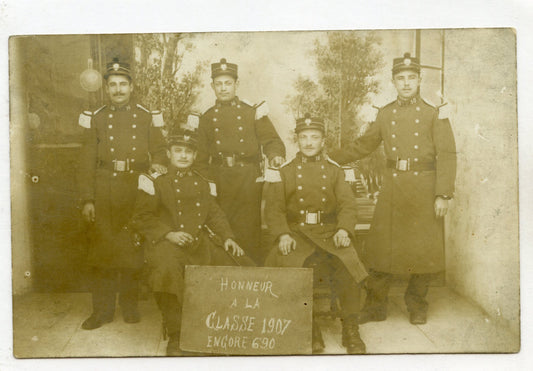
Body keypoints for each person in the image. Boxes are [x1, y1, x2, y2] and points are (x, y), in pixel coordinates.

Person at [331, 52, 457, 325]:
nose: (406, 83)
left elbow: (447, 154)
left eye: (412, 78)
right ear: (393, 81)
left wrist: (443, 194)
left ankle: (417, 305)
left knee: (423, 250)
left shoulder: (435, 114)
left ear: (420, 80)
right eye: (401, 78)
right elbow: (364, 145)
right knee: (380, 249)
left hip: (425, 187)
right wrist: (331, 157)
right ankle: (376, 307)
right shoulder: (385, 114)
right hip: (393, 188)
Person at [130, 129, 255, 356]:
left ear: (195, 156)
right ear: (168, 153)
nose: (183, 156)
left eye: (188, 152)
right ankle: (177, 334)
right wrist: (169, 234)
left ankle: (219, 327)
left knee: (235, 262)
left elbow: (214, 214)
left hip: (198, 241)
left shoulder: (203, 182)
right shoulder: (154, 181)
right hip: (166, 242)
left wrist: (228, 237)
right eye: (178, 151)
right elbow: (141, 217)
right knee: (167, 269)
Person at [263, 114, 368, 354]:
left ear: (323, 141)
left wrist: (343, 229)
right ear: (297, 141)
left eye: (314, 137)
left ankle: (350, 328)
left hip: (330, 233)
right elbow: (274, 209)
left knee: (349, 264)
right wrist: (282, 235)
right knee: (290, 265)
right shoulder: (285, 171)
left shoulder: (334, 170)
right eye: (303, 137)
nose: (309, 142)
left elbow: (347, 205)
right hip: (297, 233)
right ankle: (308, 327)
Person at [77, 58, 168, 330]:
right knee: (102, 252)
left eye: (123, 84)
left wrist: (155, 172)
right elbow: (84, 160)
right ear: (106, 88)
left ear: (131, 86)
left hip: (135, 189)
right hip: (103, 190)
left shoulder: (146, 116)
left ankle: (129, 306)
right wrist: (87, 199)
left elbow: (161, 152)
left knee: (131, 249)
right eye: (112, 85)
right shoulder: (96, 117)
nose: (118, 89)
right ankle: (102, 312)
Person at [196, 58, 286, 264]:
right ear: (212, 87)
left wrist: (275, 155)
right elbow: (200, 158)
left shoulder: (251, 112)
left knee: (248, 232)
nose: (223, 88)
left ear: (237, 84)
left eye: (228, 83)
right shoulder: (207, 118)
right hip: (218, 180)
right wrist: (206, 183)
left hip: (247, 179)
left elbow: (272, 140)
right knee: (221, 229)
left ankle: (251, 281)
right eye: (218, 84)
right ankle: (226, 281)